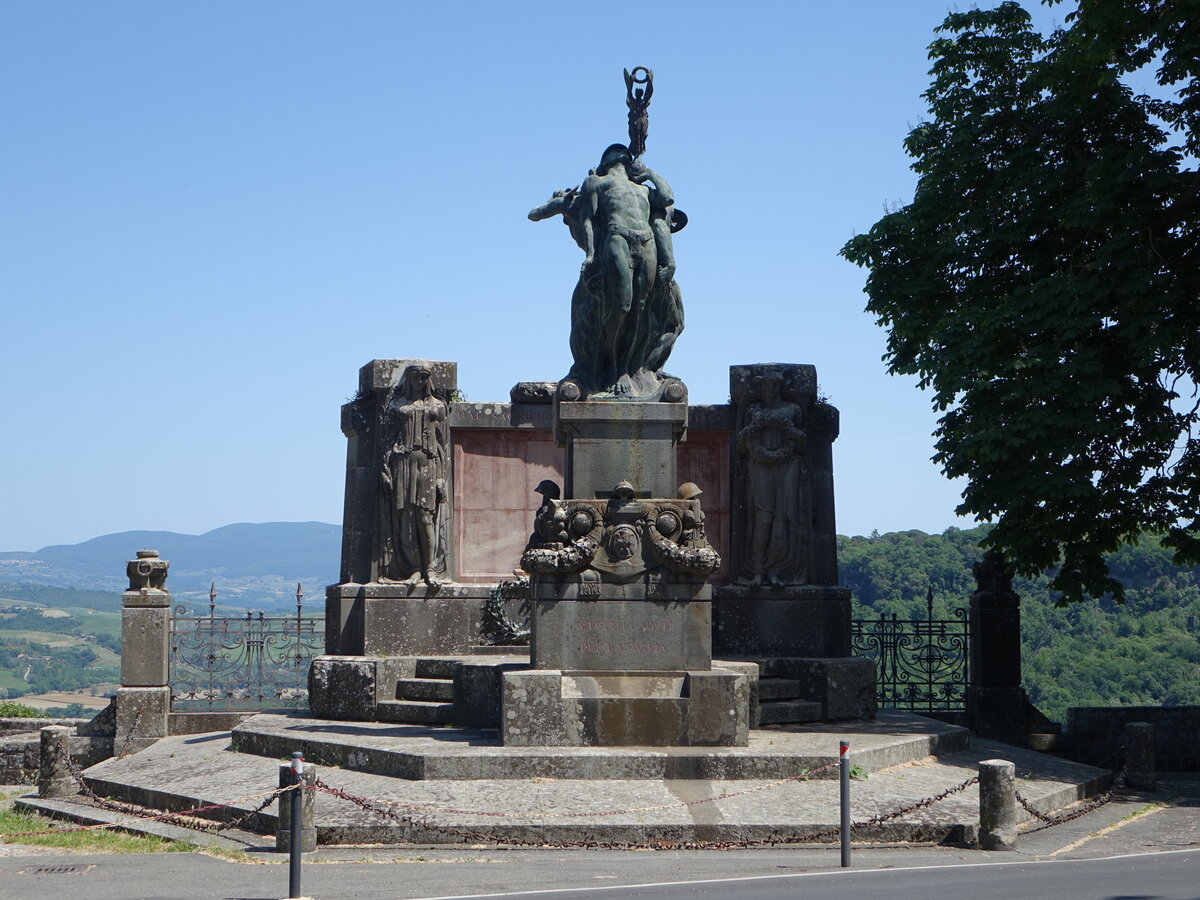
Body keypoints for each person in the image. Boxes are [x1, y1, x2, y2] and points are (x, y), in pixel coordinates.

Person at [736, 373, 809, 585]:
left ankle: (776, 570)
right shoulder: (753, 411)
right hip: (760, 467)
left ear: (780, 386)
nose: (771, 389)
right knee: (763, 518)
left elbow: (804, 444)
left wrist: (789, 429)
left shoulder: (793, 410)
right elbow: (742, 445)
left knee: (783, 520)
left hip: (787, 467)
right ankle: (758, 571)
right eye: (766, 385)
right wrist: (752, 430)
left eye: (775, 384)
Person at [378, 365, 448, 585]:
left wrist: (440, 478)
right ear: (408, 379)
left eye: (424, 376)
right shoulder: (397, 405)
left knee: (425, 517)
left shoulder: (438, 406)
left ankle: (430, 568)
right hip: (403, 463)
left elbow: (442, 445)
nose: (419, 380)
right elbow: (386, 440)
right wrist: (385, 470)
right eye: (415, 376)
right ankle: (413, 568)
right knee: (405, 519)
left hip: (428, 463)